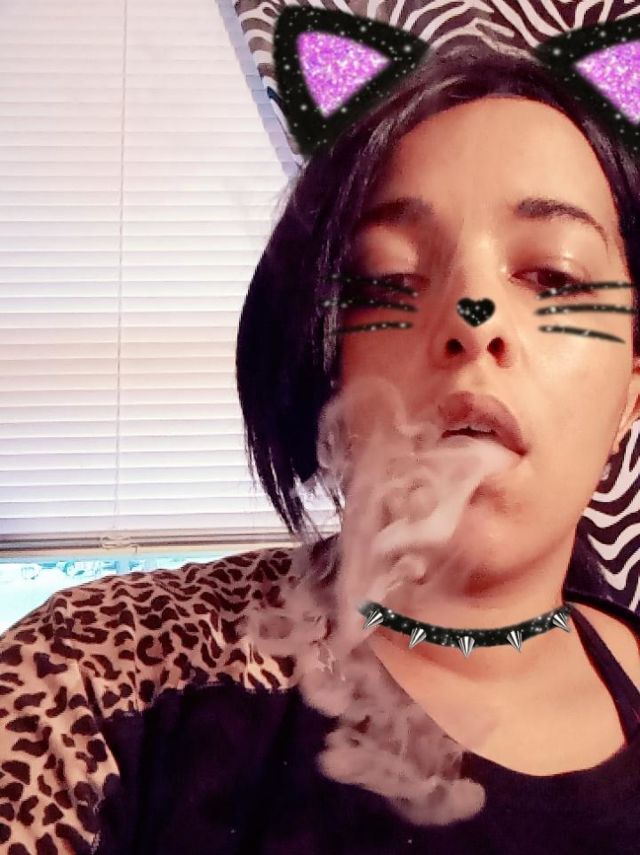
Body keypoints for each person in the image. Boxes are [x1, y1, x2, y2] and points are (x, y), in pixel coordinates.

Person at [2, 39, 640, 855]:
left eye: (553, 277)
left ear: (630, 390)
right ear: (327, 359)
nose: (472, 318)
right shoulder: (97, 672)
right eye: (389, 280)